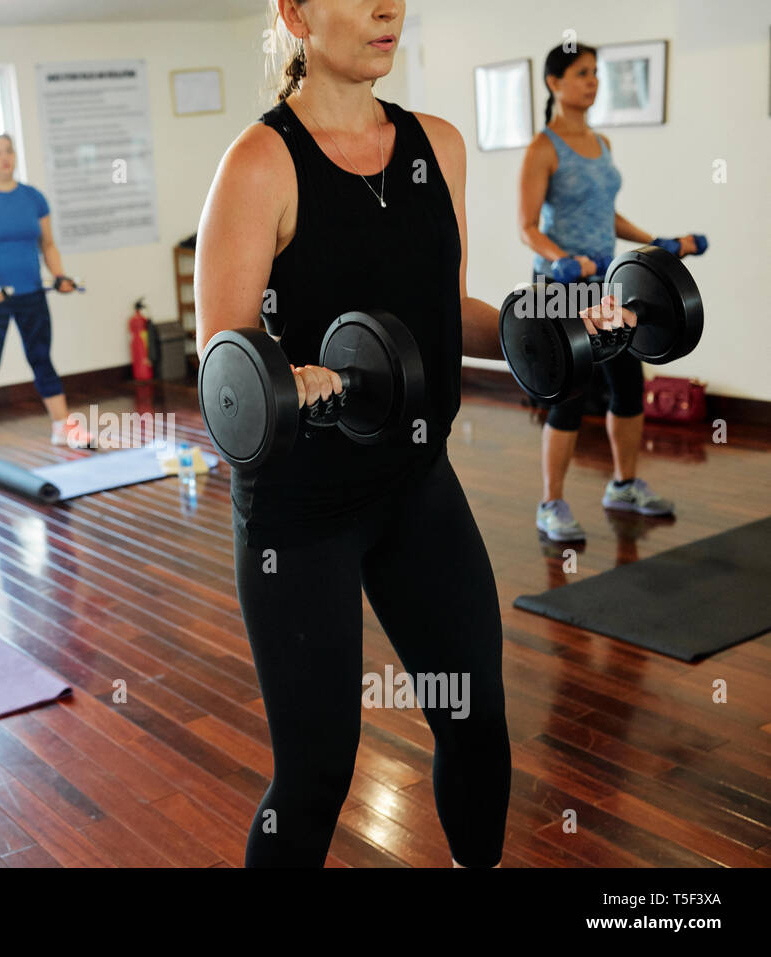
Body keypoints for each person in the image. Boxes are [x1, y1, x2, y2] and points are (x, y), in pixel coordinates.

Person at [197, 0, 628, 868]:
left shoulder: (439, 145)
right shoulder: (260, 163)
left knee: (476, 721)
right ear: (297, 13)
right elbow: (224, 362)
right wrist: (295, 377)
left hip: (417, 486)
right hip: (300, 511)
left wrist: (554, 316)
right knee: (316, 771)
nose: (389, 7)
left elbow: (451, 316)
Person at [519, 44, 701, 542]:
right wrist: (560, 257)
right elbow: (527, 227)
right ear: (555, 82)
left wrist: (652, 243)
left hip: (608, 285)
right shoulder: (543, 147)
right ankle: (550, 504)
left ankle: (622, 485)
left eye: (596, 74)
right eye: (582, 74)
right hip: (559, 287)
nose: (592, 82)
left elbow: (607, 215)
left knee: (627, 380)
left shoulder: (601, 143)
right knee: (570, 392)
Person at [0, 132, 94, 468]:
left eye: (9, 151)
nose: (4, 158)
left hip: (32, 293)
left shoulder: (33, 198)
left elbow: (47, 245)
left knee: (41, 358)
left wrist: (60, 276)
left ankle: (63, 428)